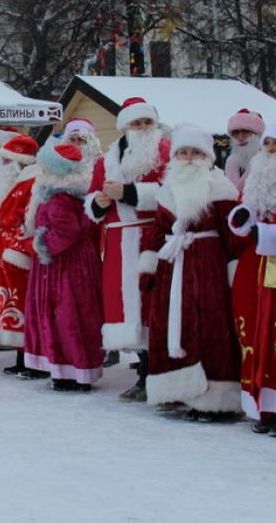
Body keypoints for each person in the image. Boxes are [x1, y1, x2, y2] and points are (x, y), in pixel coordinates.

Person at [140, 124, 241, 420]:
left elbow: (234, 236)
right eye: (183, 152)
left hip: (208, 268)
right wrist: (149, 267)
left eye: (195, 152)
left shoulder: (221, 188)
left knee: (210, 329)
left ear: (207, 157)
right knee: (175, 328)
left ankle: (215, 399)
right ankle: (178, 391)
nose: (188, 157)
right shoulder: (166, 191)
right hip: (173, 268)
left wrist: (234, 274)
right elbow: (157, 232)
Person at [85, 97, 170, 402]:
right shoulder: (106, 160)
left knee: (152, 306)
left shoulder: (166, 151)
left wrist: (130, 193)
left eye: (148, 122)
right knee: (128, 309)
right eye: (137, 123)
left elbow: (173, 192)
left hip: (152, 238)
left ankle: (156, 374)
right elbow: (92, 199)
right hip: (120, 243)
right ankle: (143, 370)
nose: (144, 128)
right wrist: (99, 203)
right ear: (125, 127)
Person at [24, 143, 105, 391]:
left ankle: (70, 371)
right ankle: (75, 369)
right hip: (73, 263)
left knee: (66, 315)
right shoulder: (73, 192)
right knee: (78, 315)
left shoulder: (58, 195)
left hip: (63, 265)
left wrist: (41, 245)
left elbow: (67, 231)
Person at [228, 123, 276, 433]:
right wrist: (241, 221)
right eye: (268, 144)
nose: (270, 150)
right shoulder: (257, 176)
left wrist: (266, 233)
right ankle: (264, 407)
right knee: (255, 335)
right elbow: (242, 216)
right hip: (254, 268)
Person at [0, 134, 40, 374]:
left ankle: (30, 357)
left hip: (18, 252)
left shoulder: (33, 182)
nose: (2, 166)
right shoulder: (12, 183)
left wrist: (17, 247)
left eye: (7, 161)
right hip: (3, 250)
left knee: (23, 302)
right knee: (9, 302)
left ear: (19, 162)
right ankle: (20, 355)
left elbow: (31, 220)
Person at [224, 108, 264, 189]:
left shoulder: (269, 162)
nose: (240, 138)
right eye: (236, 133)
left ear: (257, 134)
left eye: (245, 131)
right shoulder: (230, 162)